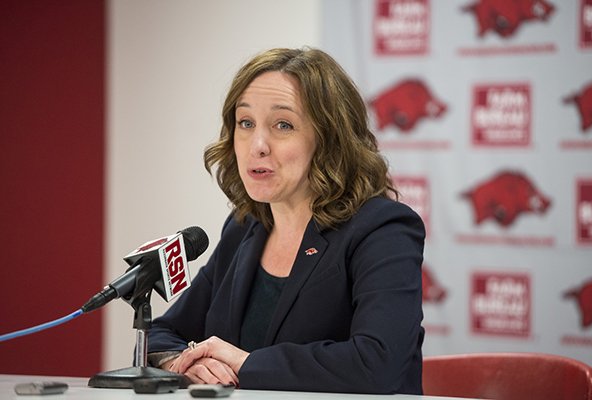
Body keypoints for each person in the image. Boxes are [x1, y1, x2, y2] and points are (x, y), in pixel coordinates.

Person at [147, 47, 426, 395]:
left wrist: (246, 364)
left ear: (329, 139)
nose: (257, 145)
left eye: (283, 125)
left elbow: (376, 364)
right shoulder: (245, 227)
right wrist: (189, 361)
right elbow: (162, 333)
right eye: (245, 123)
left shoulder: (382, 229)